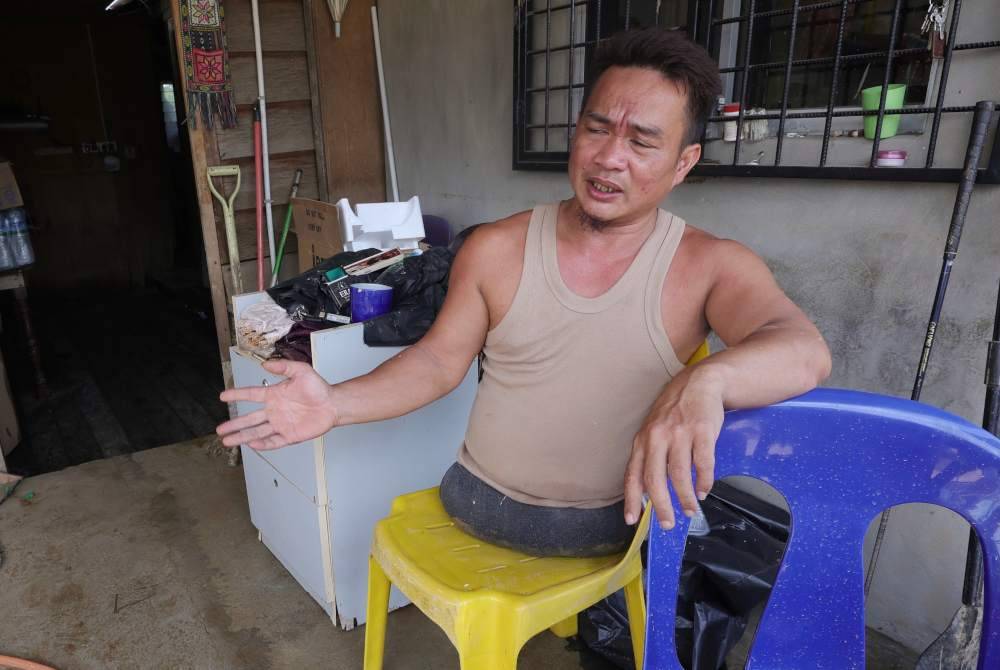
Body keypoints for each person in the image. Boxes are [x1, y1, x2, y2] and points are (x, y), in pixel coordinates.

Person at [217, 28, 831, 558]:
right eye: (597, 128)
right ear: (575, 132)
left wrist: (706, 381)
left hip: (616, 526)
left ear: (683, 161)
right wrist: (335, 402)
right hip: (479, 501)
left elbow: (802, 349)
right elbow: (437, 361)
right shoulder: (497, 248)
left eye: (642, 141)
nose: (610, 157)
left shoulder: (712, 265)